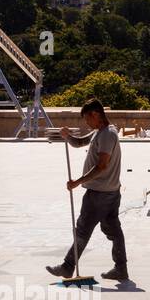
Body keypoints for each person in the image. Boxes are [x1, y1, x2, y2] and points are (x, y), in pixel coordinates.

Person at [45, 99, 130, 282]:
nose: (86, 123)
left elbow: (101, 166)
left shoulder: (107, 135)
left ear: (95, 114)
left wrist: (77, 182)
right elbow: (80, 142)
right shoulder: (99, 132)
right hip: (111, 192)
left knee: (83, 229)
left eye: (87, 119)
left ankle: (67, 267)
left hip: (99, 193)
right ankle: (121, 269)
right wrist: (67, 136)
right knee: (113, 229)